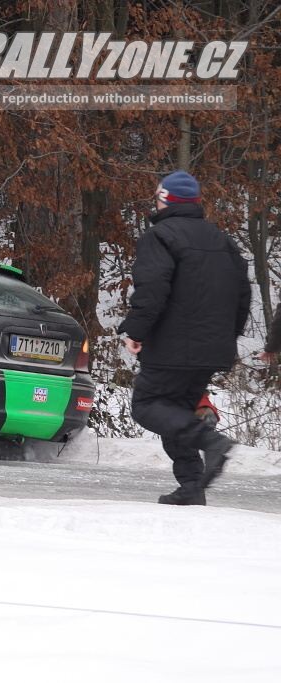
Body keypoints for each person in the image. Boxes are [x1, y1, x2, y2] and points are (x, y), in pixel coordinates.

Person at [118, 170, 251, 506]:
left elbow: (153, 290)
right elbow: (243, 295)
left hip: (173, 346)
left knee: (147, 406)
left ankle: (212, 442)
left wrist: (136, 331)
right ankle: (191, 486)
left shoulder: (160, 236)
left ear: (165, 199)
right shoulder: (223, 240)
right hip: (212, 347)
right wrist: (227, 336)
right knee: (175, 412)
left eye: (158, 196)